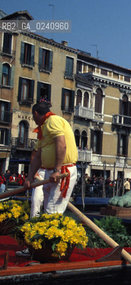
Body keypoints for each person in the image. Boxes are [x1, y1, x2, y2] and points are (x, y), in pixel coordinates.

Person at [17, 100, 78, 257]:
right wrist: (29, 178)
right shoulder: (44, 128)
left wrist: (57, 170)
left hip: (62, 172)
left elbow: (61, 144)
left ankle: (44, 250)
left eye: (33, 115)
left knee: (52, 209)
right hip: (52, 173)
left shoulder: (53, 121)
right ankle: (39, 248)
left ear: (36, 114)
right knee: (47, 210)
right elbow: (37, 155)